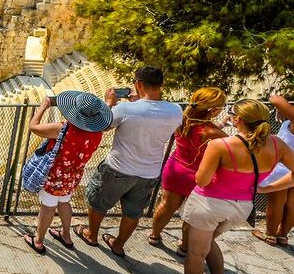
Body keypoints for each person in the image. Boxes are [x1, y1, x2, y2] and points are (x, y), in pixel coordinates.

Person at [170, 99, 294, 274]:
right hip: (241, 207)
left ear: (237, 120)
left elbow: (202, 180)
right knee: (209, 242)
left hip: (209, 204)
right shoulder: (277, 144)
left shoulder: (221, 145)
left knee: (196, 251)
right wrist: (267, 188)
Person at [74, 66, 182, 256]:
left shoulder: (125, 109)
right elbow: (152, 115)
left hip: (118, 167)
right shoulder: (175, 111)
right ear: (160, 84)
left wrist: (108, 103)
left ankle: (92, 235)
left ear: (138, 84)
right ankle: (118, 245)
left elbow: (101, 126)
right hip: (149, 172)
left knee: (98, 202)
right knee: (133, 212)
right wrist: (138, 102)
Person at [23, 92, 112, 254]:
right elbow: (107, 124)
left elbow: (33, 127)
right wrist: (109, 103)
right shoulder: (97, 133)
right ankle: (66, 235)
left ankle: (38, 241)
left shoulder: (63, 129)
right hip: (73, 175)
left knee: (48, 208)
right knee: (64, 203)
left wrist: (44, 106)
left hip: (55, 175)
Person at [148, 88, 227, 254]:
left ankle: (154, 235)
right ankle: (184, 247)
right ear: (213, 110)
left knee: (166, 205)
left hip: (176, 169)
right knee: (191, 215)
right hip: (200, 176)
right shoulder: (216, 133)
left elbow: (197, 131)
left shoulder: (181, 120)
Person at [256, 94, 294, 246]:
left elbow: (275, 98)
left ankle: (270, 235)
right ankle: (283, 236)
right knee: (292, 204)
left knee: (276, 203)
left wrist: (282, 108)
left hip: (284, 167)